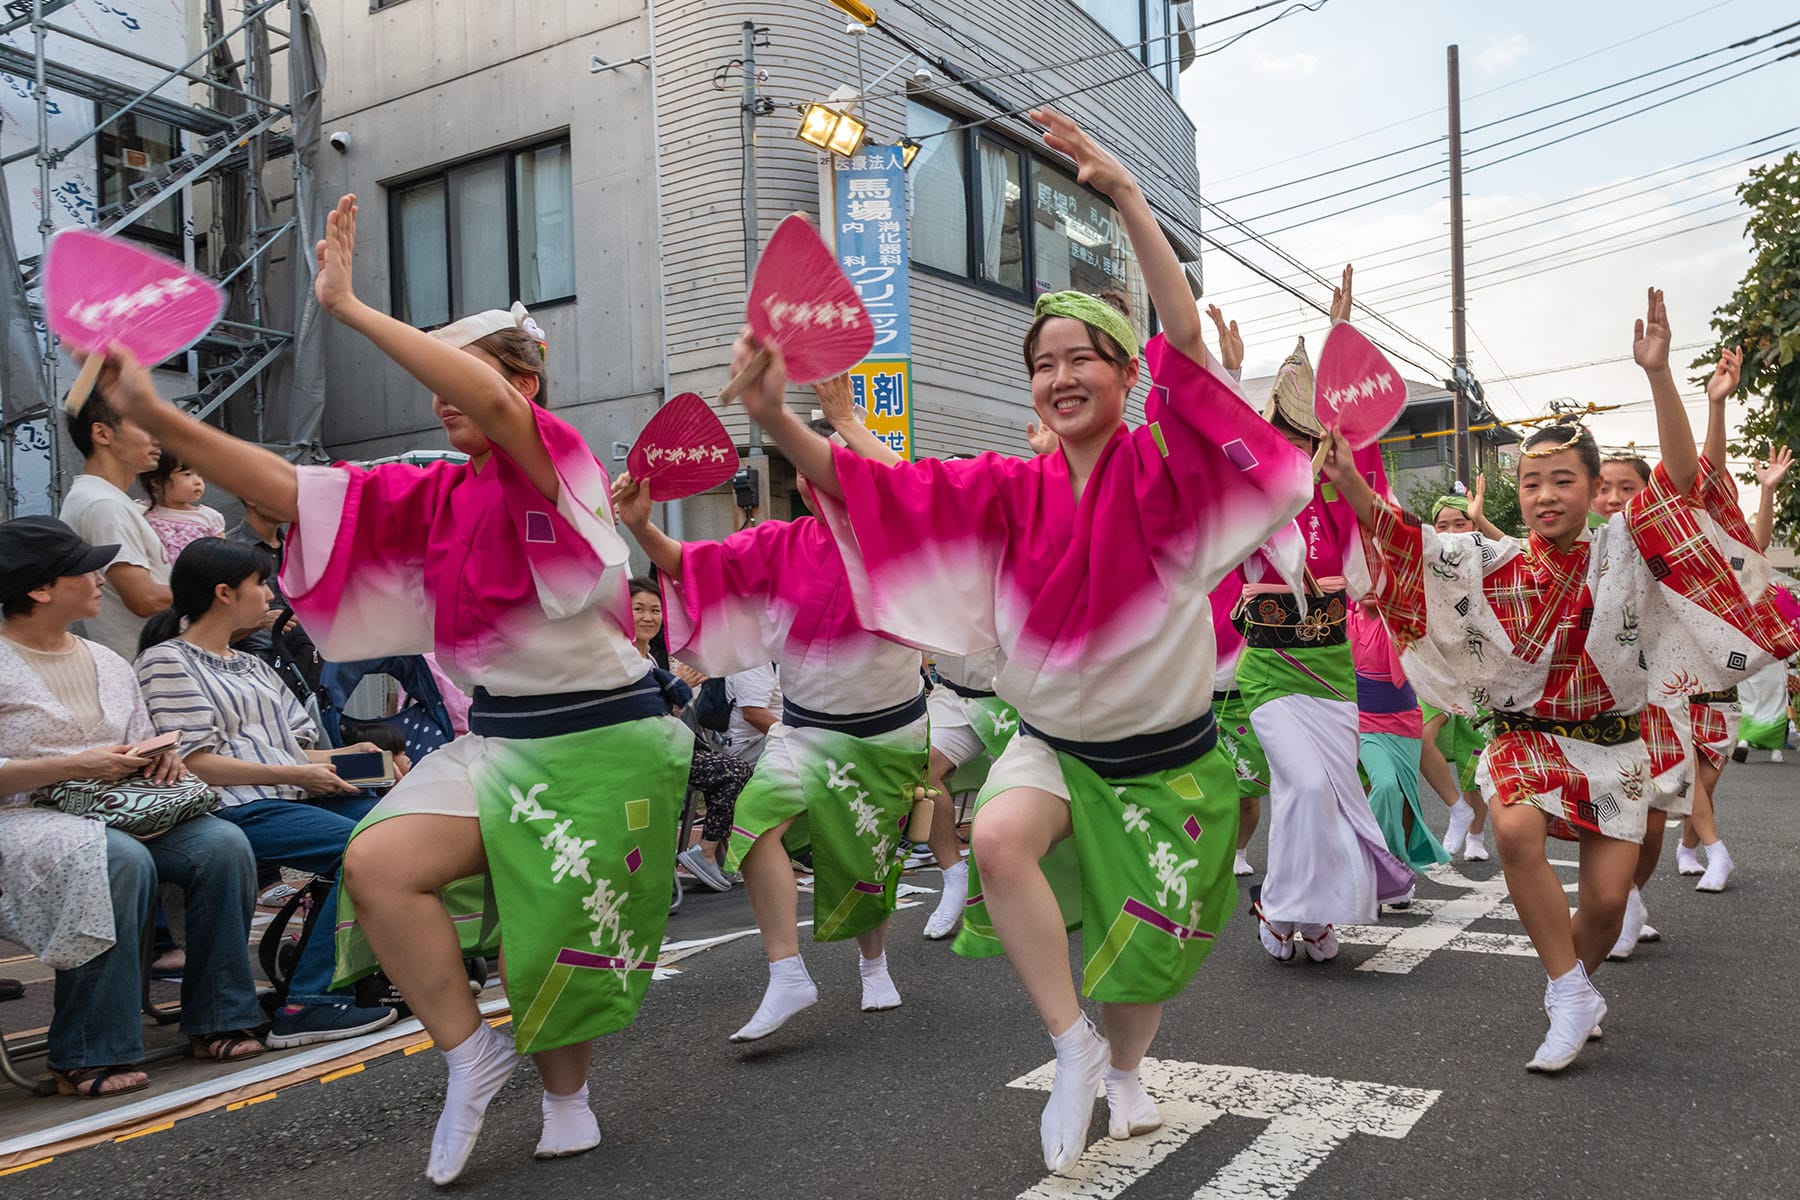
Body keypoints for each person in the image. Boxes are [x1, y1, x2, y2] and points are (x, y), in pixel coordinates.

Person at [723, 108, 1313, 1174]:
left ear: (1126, 376)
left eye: (1082, 358)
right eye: (1042, 364)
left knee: (1142, 974)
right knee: (996, 839)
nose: (1059, 377)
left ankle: (1122, 1061)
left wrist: (1129, 197)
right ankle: (1070, 1044)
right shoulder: (1007, 488)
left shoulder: (1169, 477)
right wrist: (776, 420)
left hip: (1168, 763)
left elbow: (1187, 344)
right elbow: (882, 489)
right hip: (1056, 744)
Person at [75, 194, 693, 1184]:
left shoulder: (557, 462)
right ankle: (469, 1051)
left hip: (602, 738)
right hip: (496, 743)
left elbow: (492, 409)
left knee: (550, 936)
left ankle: (569, 1095)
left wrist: (350, 307)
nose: (438, 395)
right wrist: (152, 412)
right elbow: (287, 489)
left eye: (457, 372)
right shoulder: (433, 492)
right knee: (379, 865)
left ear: (527, 381)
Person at [1323, 288, 1790, 1073]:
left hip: (1615, 746)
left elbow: (1681, 484)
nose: (1544, 496)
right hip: (1529, 740)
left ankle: (1574, 985)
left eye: (1563, 481)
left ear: (1592, 487)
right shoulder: (1493, 563)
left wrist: (1661, 375)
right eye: (1532, 482)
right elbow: (1410, 551)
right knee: (1511, 829)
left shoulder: (1626, 549)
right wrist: (1355, 487)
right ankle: (1570, 995)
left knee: (1608, 904)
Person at [615, 394, 931, 1040]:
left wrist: (851, 424)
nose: (825, 479)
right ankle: (786, 972)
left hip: (888, 733)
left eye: (835, 463)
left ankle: (874, 963)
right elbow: (697, 567)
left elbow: (912, 492)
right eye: (810, 467)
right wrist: (642, 529)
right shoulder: (780, 544)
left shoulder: (901, 541)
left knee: (865, 862)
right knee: (752, 828)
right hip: (807, 731)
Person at [0, 517, 264, 1095]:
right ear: (41, 588)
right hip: (21, 817)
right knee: (118, 860)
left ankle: (220, 1016)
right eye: (85, 569)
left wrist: (160, 760)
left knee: (221, 844)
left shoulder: (107, 659)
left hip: (115, 804)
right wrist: (75, 765)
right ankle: (89, 1050)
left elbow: (145, 741)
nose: (101, 578)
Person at [134, 537, 398, 1047]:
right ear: (224, 593)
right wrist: (301, 776)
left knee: (407, 830)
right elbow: (195, 763)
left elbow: (295, 751)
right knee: (368, 851)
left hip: (288, 797)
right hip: (234, 809)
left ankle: (373, 974)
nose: (269, 594)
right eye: (259, 583)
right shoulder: (167, 662)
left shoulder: (252, 663)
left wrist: (376, 762)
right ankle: (309, 1002)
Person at [1236, 269, 1414, 965]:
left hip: (1332, 668)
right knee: (1307, 785)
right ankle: (1281, 907)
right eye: (1282, 428)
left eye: (1304, 431)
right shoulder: (1249, 496)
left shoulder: (1339, 491)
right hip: (1271, 669)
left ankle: (1309, 918)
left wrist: (1341, 335)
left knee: (1318, 797)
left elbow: (1361, 458)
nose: (1293, 440)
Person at [628, 577, 750, 892]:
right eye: (638, 609)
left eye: (655, 610)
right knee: (732, 769)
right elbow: (635, 715)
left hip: (664, 749)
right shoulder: (621, 660)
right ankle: (706, 852)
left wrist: (682, 693)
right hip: (639, 757)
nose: (648, 617)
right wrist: (679, 687)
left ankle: (711, 852)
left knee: (732, 767)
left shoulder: (651, 659)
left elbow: (666, 717)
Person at [58, 391, 171, 660]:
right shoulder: (104, 504)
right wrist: (211, 588)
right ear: (102, 434)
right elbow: (144, 599)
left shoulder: (104, 499)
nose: (157, 439)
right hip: (142, 668)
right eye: (144, 426)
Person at [1423, 485, 1502, 860]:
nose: (1452, 532)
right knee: (1419, 734)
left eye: (1460, 522)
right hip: (1434, 668)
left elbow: (1527, 553)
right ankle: (1458, 808)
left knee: (1475, 755)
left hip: (1478, 669)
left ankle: (1475, 837)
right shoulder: (1424, 560)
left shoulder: (1488, 558)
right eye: (1443, 524)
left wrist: (1483, 521)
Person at [1351, 596, 1449, 873]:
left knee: (1406, 797)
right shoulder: (1342, 617)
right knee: (1384, 786)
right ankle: (1376, 865)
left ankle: (1400, 867)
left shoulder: (1405, 617)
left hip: (1403, 720)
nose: (1369, 585)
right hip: (1363, 720)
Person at [139, 449, 228, 563]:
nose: (198, 482)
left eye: (200, 475)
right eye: (187, 474)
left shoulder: (209, 517)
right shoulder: (142, 511)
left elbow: (223, 557)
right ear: (157, 482)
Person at [723, 663, 781, 764]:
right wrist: (794, 738)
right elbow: (753, 714)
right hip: (753, 743)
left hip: (772, 735)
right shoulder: (755, 662)